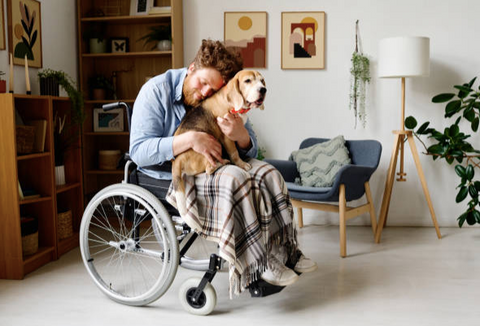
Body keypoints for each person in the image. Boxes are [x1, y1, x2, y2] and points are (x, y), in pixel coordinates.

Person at [130, 39, 317, 297]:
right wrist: (189, 140)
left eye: (213, 88)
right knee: (235, 178)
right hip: (166, 173)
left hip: (213, 161)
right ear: (193, 67)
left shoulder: (224, 95)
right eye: (203, 82)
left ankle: (286, 250)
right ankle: (257, 265)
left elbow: (250, 150)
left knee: (268, 172)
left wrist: (241, 135)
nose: (206, 92)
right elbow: (138, 152)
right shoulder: (155, 91)